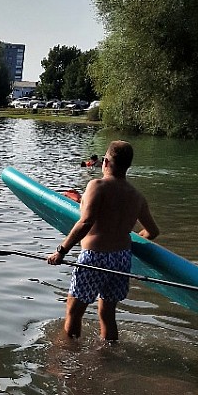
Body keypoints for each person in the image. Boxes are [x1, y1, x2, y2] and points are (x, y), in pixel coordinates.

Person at [48, 141, 159, 340]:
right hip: (121, 260)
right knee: (107, 314)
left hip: (94, 258)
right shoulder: (137, 197)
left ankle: (67, 361)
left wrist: (61, 251)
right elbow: (152, 232)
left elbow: (86, 222)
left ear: (105, 162)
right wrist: (122, 241)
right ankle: (109, 357)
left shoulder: (97, 185)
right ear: (128, 166)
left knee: (74, 312)